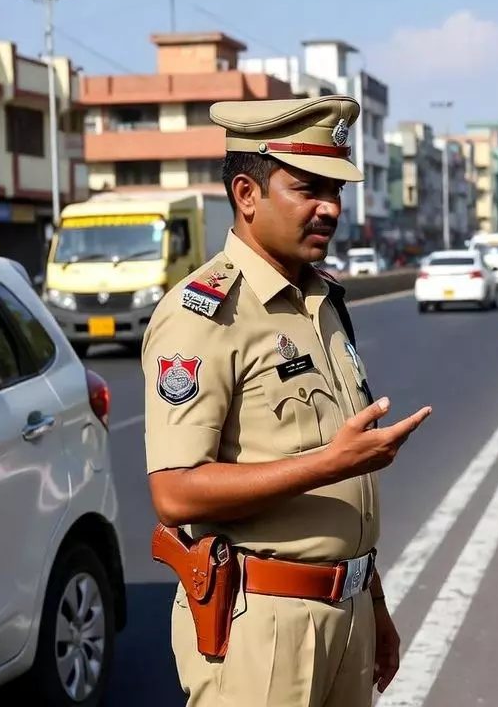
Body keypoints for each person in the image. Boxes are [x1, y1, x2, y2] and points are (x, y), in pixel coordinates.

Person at [141, 94, 433, 707]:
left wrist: (373, 603)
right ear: (247, 194)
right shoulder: (205, 312)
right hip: (261, 625)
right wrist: (333, 463)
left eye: (337, 191)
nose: (330, 208)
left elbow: (344, 496)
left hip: (345, 613)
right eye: (309, 189)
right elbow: (174, 491)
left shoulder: (322, 301)